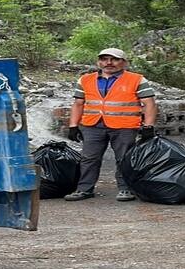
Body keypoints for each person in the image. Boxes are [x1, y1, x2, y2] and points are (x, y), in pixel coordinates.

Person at [64, 48, 157, 201]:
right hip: (92, 125)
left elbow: (149, 104)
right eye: (104, 59)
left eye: (114, 59)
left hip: (124, 126)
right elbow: (78, 103)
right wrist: (73, 125)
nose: (108, 63)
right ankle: (84, 189)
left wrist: (148, 126)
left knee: (124, 158)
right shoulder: (85, 79)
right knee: (89, 158)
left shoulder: (137, 79)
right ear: (98, 62)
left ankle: (126, 189)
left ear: (124, 63)